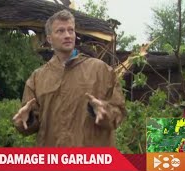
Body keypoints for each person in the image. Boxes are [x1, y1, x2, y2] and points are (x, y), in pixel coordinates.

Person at [12, 9, 126, 147]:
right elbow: (29, 124)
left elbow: (119, 113)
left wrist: (105, 112)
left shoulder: (100, 70)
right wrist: (27, 119)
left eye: (70, 30)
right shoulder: (37, 78)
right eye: (60, 31)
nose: (67, 35)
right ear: (49, 39)